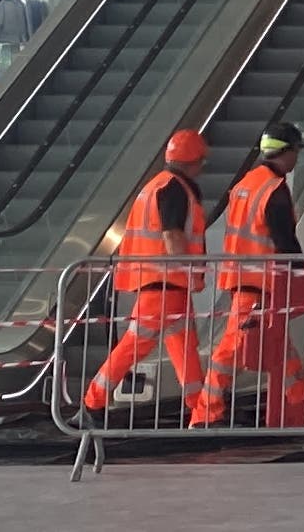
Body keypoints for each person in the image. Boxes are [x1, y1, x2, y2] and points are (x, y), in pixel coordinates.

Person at [190, 120, 304, 425]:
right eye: (295, 152)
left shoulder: (246, 183)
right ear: (284, 153)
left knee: (278, 345)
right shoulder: (274, 189)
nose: (297, 159)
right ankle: (205, 414)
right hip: (259, 282)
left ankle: (301, 400)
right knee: (231, 349)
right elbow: (285, 240)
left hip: (243, 278)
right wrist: (303, 273)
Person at [81, 128, 209, 417]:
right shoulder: (174, 188)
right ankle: (93, 402)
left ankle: (201, 410)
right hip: (165, 283)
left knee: (183, 347)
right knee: (136, 345)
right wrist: (190, 266)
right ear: (194, 161)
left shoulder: (157, 185)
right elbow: (172, 237)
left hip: (162, 284)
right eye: (202, 161)